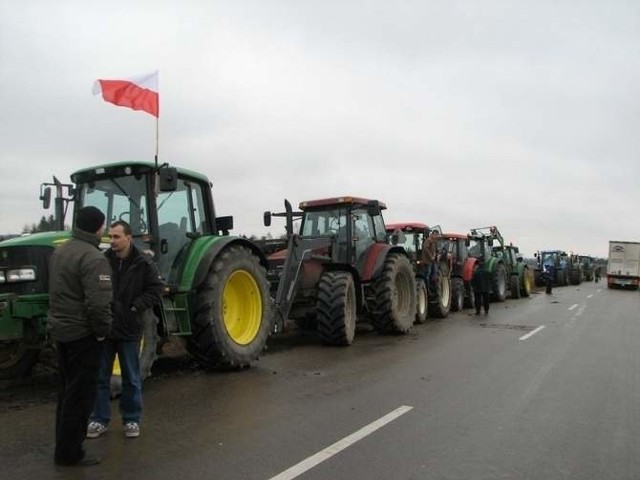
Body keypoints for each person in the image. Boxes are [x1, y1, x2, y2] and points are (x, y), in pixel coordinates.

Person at [48, 206, 113, 467]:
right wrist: (102, 333)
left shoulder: (59, 251)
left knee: (66, 392)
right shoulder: (94, 258)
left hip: (61, 332)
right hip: (83, 335)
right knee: (81, 396)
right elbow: (98, 304)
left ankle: (63, 446)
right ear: (99, 227)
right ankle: (70, 453)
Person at [87, 220, 163, 440]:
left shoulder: (143, 263)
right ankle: (99, 419)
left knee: (131, 377)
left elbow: (156, 289)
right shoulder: (103, 261)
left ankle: (131, 419)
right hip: (107, 328)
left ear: (129, 238)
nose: (112, 241)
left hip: (129, 328)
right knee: (101, 377)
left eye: (116, 237)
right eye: (110, 237)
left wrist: (135, 306)